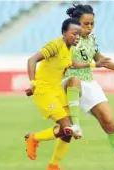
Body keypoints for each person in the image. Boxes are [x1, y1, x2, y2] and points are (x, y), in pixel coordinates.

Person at [63, 4, 114, 170]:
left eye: (92, 23)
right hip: (69, 81)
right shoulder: (69, 39)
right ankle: (75, 124)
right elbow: (69, 63)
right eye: (86, 24)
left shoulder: (92, 39)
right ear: (77, 23)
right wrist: (93, 63)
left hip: (89, 83)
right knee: (74, 81)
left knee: (110, 124)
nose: (90, 27)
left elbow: (102, 60)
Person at [24, 18, 82, 170]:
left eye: (79, 35)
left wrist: (95, 64)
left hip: (57, 91)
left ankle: (53, 166)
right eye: (74, 34)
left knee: (68, 132)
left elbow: (68, 66)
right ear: (64, 32)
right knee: (67, 128)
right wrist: (33, 83)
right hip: (44, 90)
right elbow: (32, 60)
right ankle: (34, 138)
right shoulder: (55, 45)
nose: (77, 37)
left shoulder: (70, 50)